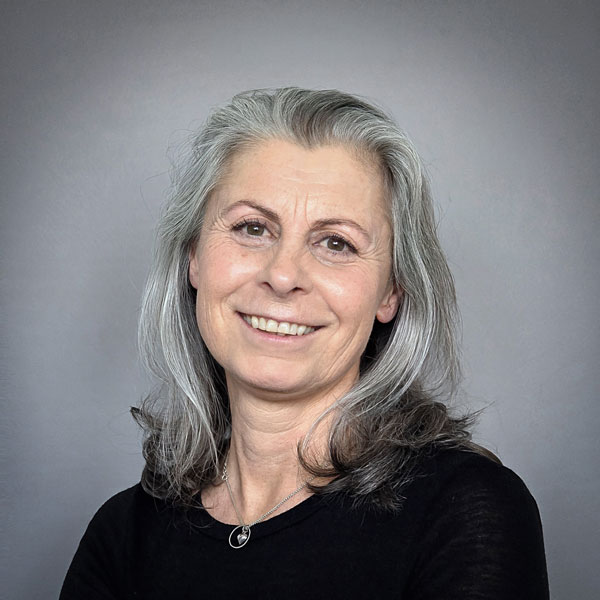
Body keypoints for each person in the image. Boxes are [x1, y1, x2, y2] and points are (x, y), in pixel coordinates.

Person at [60, 87, 549, 599]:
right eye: (252, 228)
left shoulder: (466, 512)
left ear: (391, 291)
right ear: (194, 257)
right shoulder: (123, 535)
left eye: (336, 242)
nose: (283, 275)